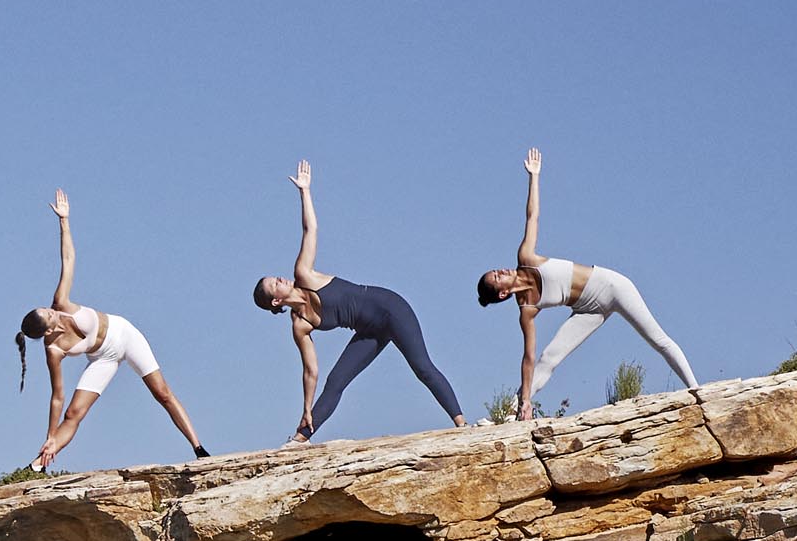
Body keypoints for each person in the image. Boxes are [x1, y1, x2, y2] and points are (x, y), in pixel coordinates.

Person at [251, 163, 464, 438]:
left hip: (391, 309)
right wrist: (306, 407)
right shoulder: (300, 325)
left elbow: (310, 229)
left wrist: (305, 192)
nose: (280, 279)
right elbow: (310, 370)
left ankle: (462, 424)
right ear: (276, 302)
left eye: (276, 277)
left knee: (422, 367)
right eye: (275, 284)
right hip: (369, 332)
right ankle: (300, 439)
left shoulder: (304, 274)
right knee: (335, 380)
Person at [477, 154, 698, 414]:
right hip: (587, 310)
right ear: (503, 293)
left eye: (496, 270)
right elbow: (528, 358)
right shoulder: (526, 309)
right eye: (497, 276)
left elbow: (532, 216)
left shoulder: (526, 258)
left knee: (658, 340)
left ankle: (697, 391)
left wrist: (534, 177)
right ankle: (511, 411)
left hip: (613, 288)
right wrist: (526, 398)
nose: (501, 270)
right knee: (548, 358)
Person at [17, 189, 209, 469]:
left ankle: (199, 448)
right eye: (49, 316)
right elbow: (57, 396)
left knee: (162, 393)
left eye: (47, 309)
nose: (53, 311)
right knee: (73, 413)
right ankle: (38, 465)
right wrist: (49, 434)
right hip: (103, 358)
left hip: (124, 335)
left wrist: (64, 221)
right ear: (47, 331)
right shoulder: (54, 350)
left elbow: (68, 260)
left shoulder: (62, 303)